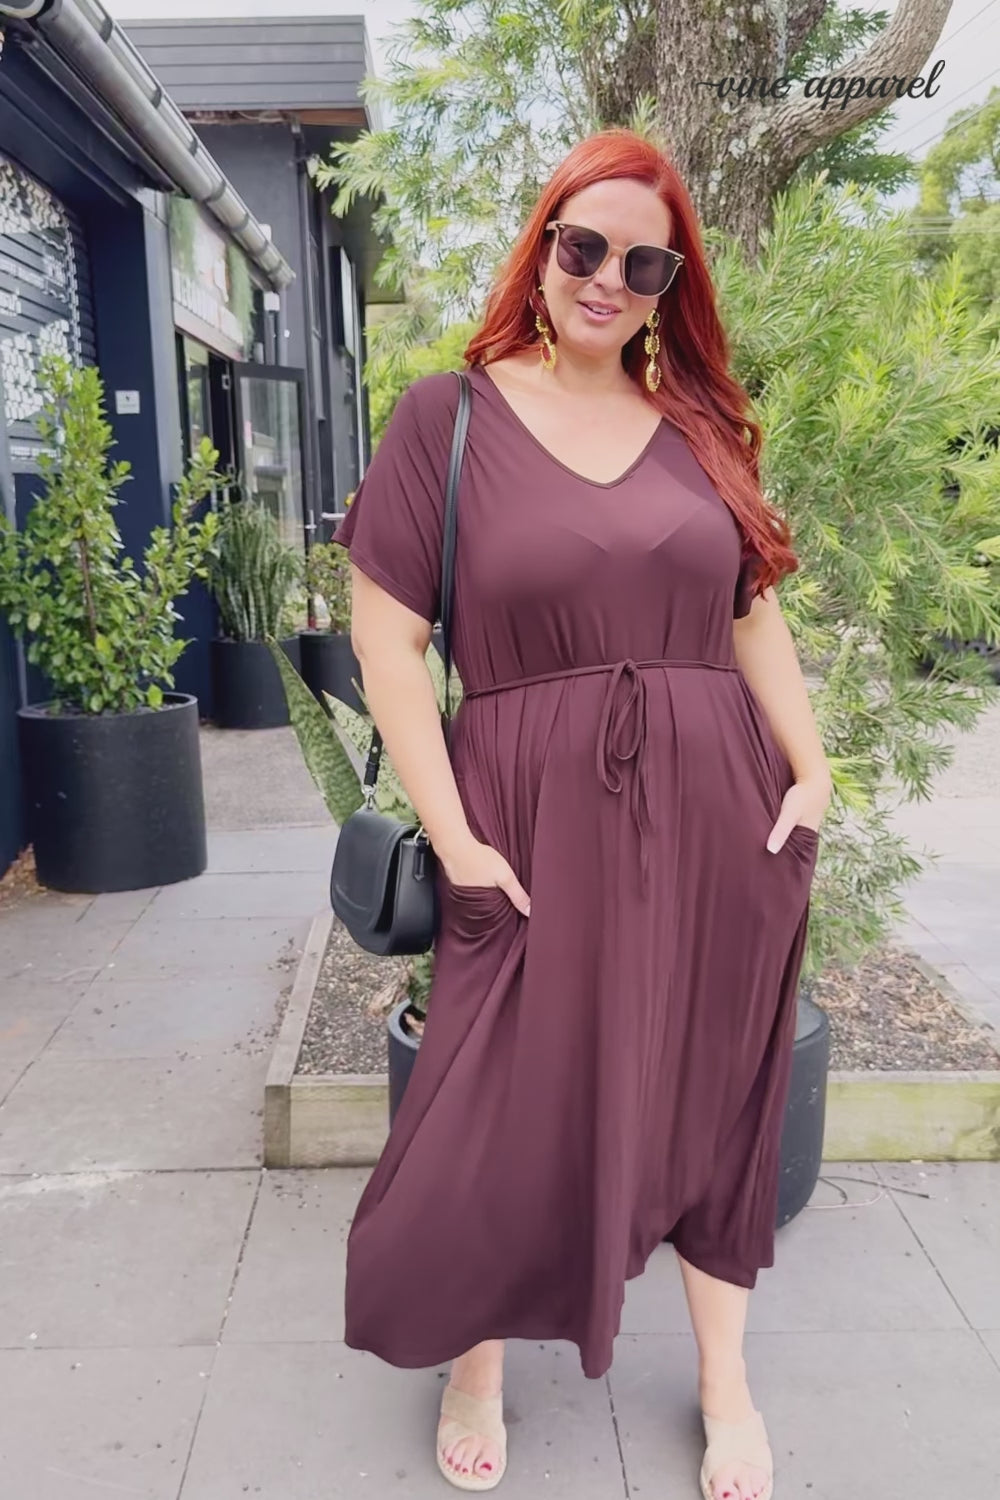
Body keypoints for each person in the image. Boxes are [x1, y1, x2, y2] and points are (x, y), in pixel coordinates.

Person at [331, 126, 831, 1500]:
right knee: (503, 1096)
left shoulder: (697, 432)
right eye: (585, 246)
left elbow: (751, 614)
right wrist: (456, 841)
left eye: (644, 263)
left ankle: (725, 1382)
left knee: (717, 1087)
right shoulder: (448, 418)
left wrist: (813, 771)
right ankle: (477, 1360)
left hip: (719, 821)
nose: (608, 277)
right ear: (544, 247)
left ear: (671, 289)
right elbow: (387, 647)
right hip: (524, 824)